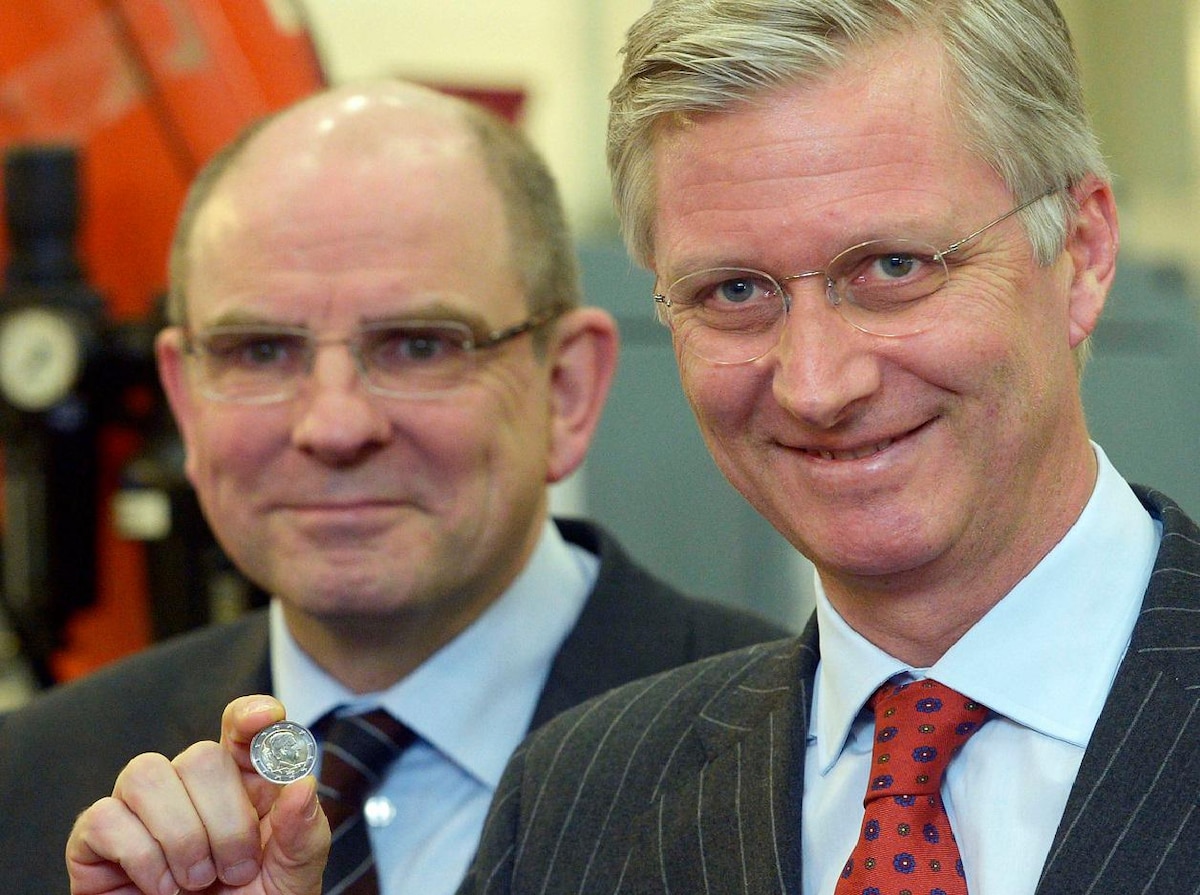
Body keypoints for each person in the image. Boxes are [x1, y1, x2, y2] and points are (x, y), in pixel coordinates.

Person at [61, 1, 1200, 893]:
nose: (816, 383)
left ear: (1084, 252)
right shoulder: (578, 801)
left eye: (893, 268)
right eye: (734, 291)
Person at [0, 78, 790, 895]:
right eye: (260, 352)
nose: (335, 425)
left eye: (419, 346)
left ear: (566, 387)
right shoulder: (35, 787)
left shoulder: (799, 757)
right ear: (186, 400)